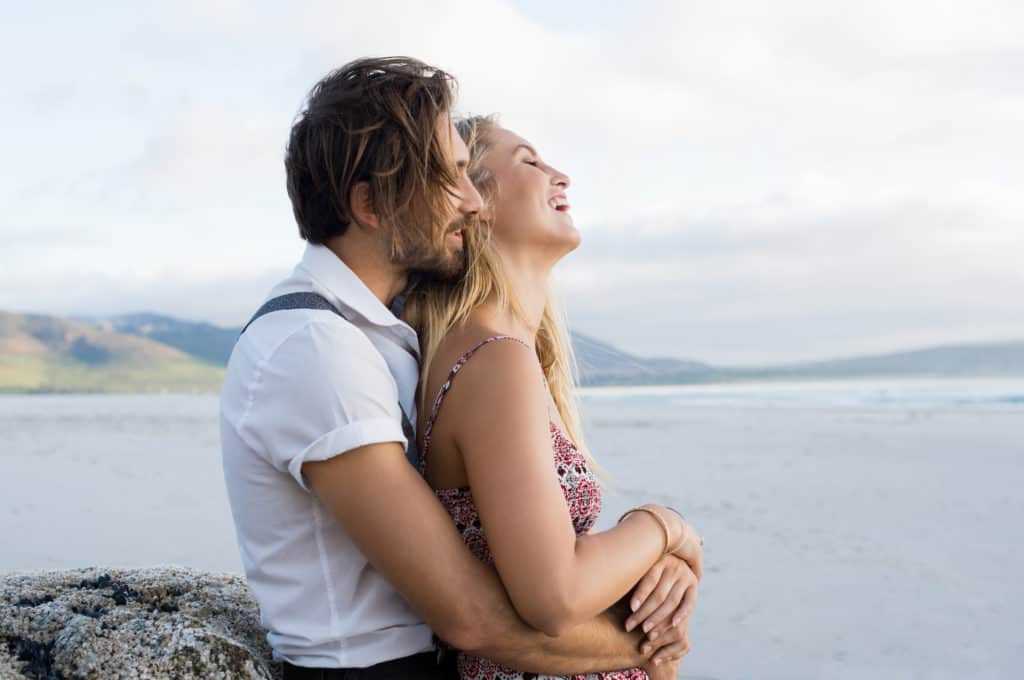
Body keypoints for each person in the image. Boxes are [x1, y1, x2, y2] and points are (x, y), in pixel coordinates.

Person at [220, 57, 697, 680]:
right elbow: (473, 617)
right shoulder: (315, 350)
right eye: (449, 178)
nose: (470, 202)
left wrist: (646, 581)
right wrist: (662, 567)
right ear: (371, 203)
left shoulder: (385, 334)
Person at [402, 115, 703, 680]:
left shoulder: (507, 356)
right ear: (473, 201)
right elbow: (554, 595)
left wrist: (660, 572)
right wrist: (665, 527)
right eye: (530, 162)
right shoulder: (494, 360)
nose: (559, 175)